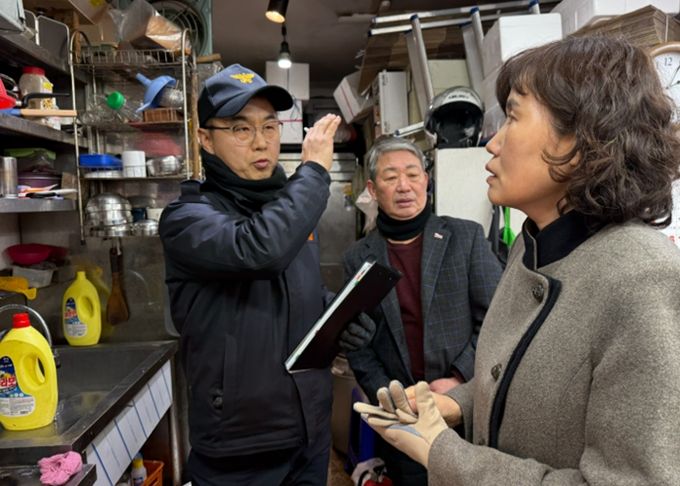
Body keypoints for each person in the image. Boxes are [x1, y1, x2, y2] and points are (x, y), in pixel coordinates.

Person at [355, 35, 680, 485]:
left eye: (512, 116)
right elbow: (523, 382)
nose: (492, 143)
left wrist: (444, 453)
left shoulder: (643, 279)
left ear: (581, 137)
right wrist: (455, 403)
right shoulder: (531, 247)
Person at [159, 63, 341, 485]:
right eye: (241, 129)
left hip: (309, 431)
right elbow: (259, 252)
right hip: (239, 447)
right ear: (206, 139)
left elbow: (300, 292)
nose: (261, 142)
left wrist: (339, 318)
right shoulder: (187, 217)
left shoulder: (290, 211)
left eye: (270, 126)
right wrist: (314, 172)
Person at [343, 136, 503, 485]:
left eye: (413, 174)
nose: (404, 186)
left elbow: (499, 319)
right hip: (402, 419)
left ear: (426, 181)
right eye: (390, 177)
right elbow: (357, 344)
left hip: (464, 408)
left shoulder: (465, 237)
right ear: (372, 189)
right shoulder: (358, 258)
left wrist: (458, 379)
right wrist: (390, 398)